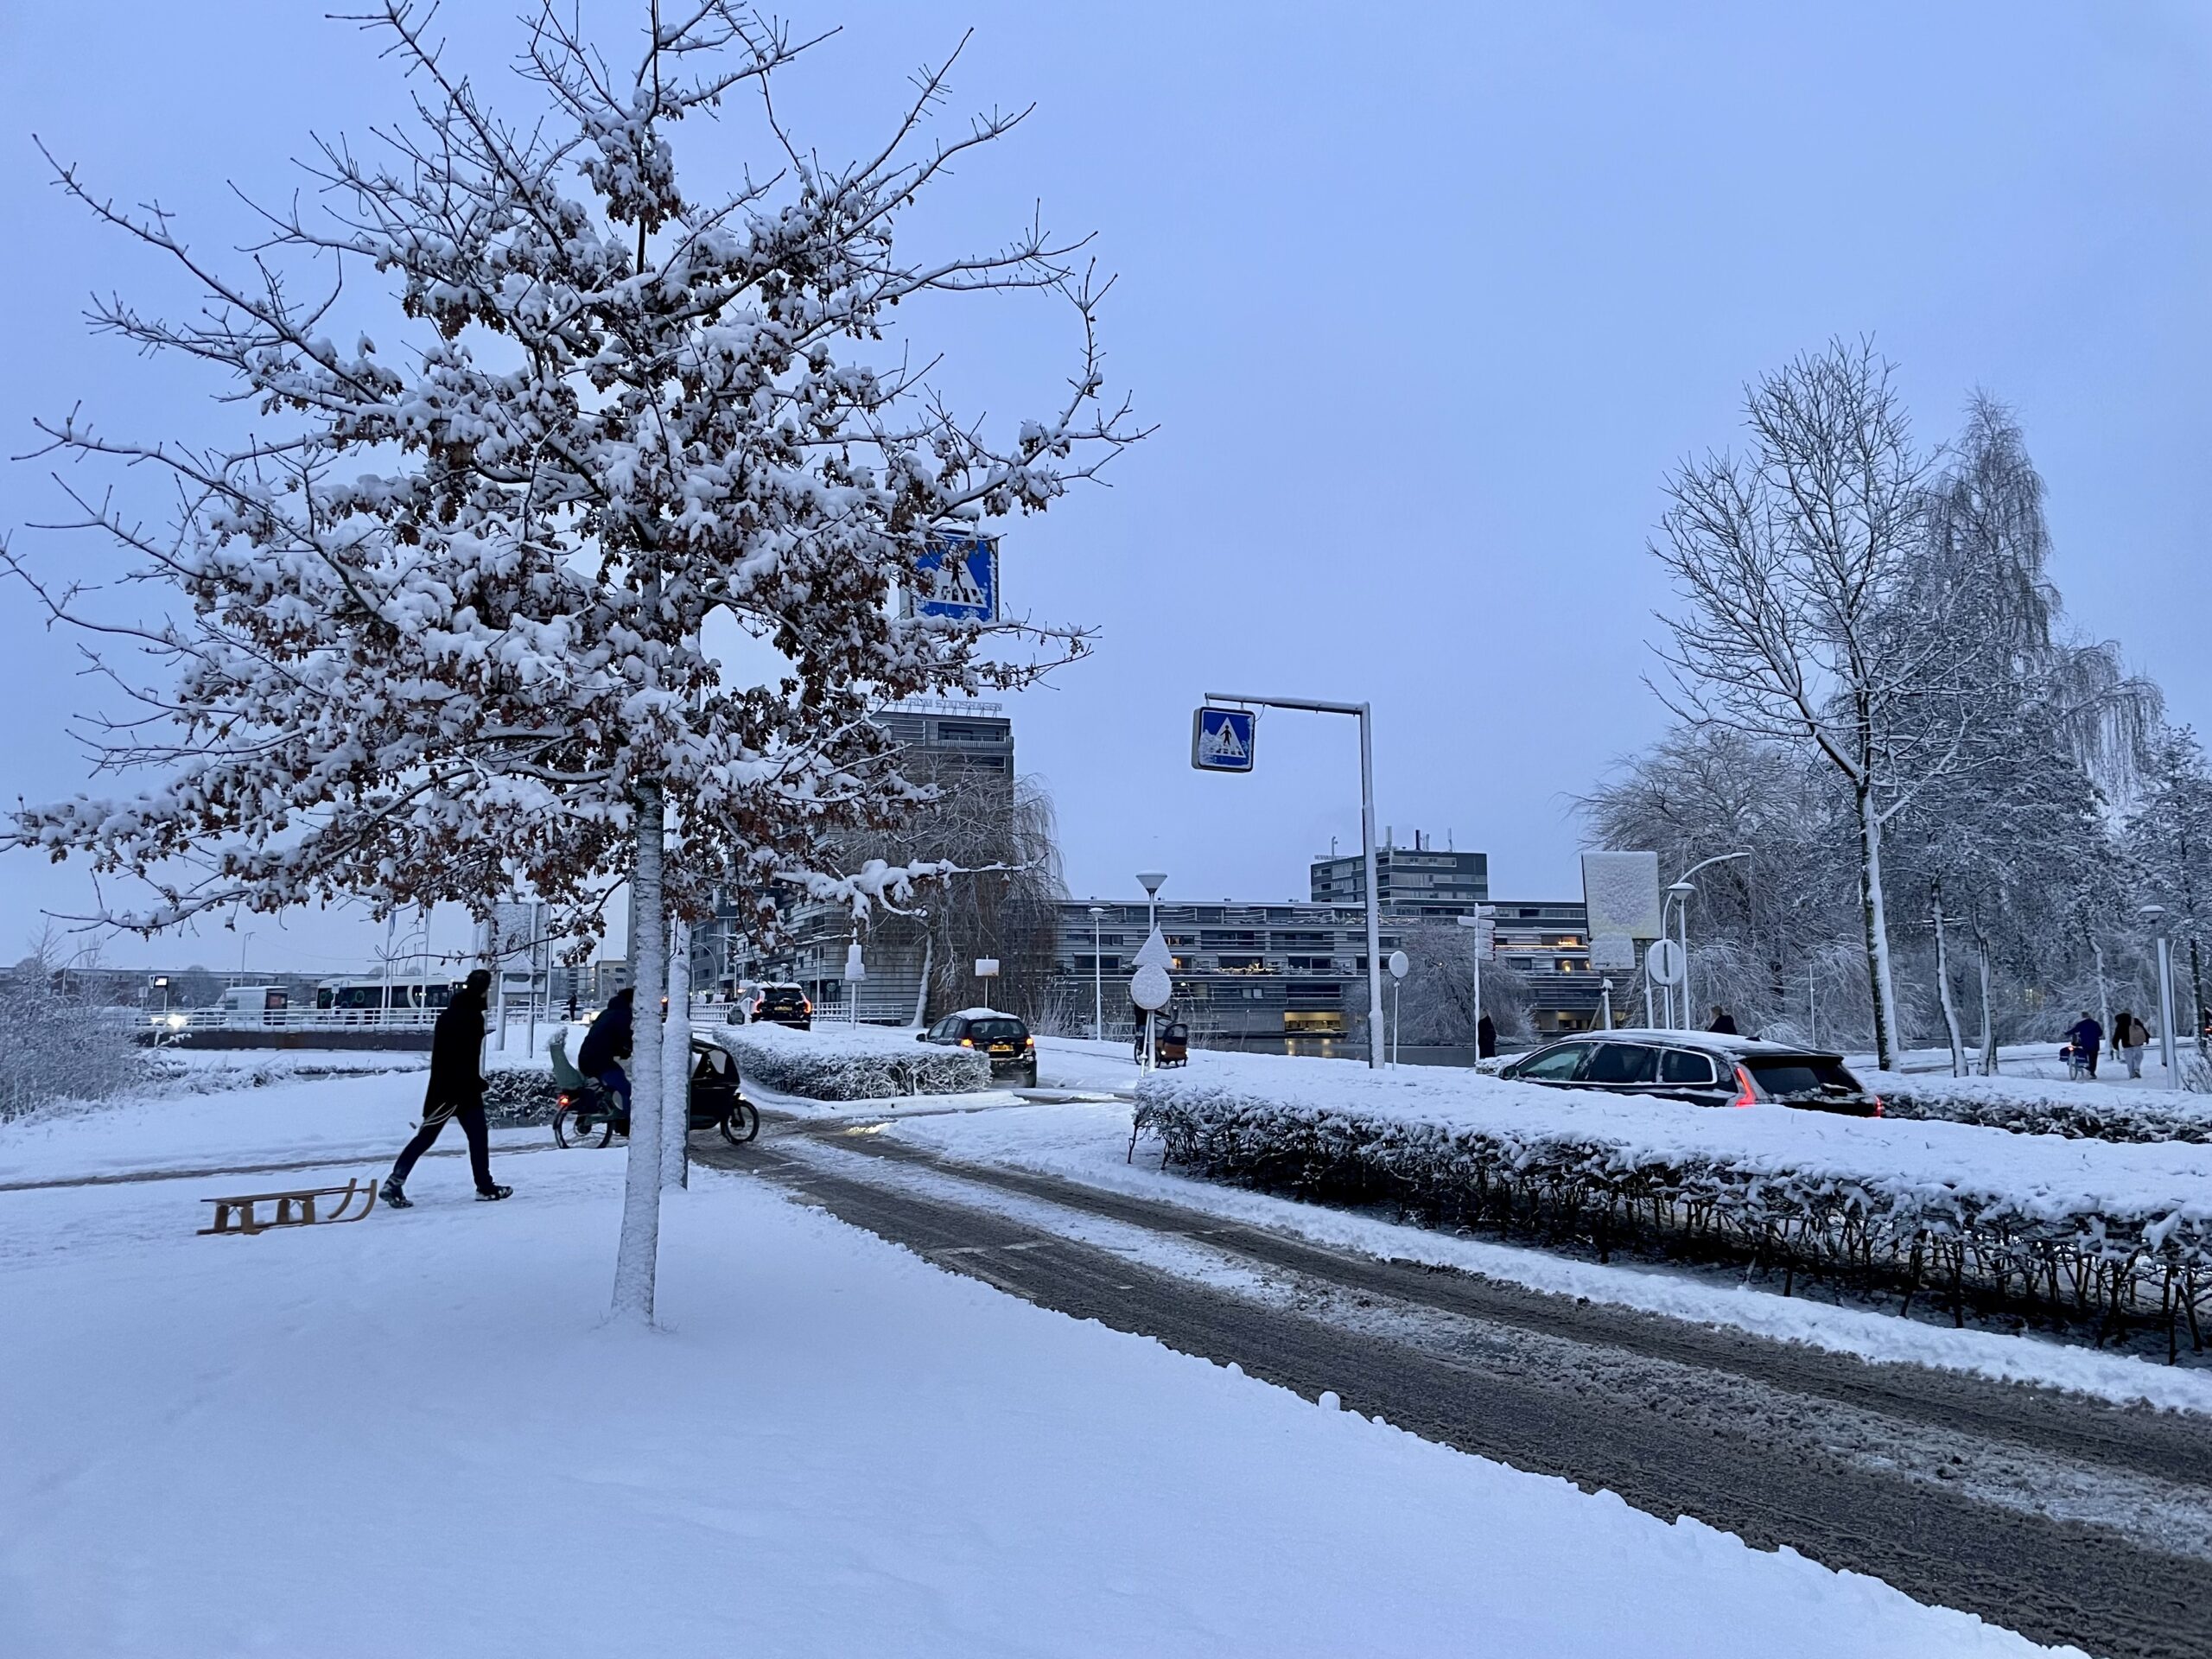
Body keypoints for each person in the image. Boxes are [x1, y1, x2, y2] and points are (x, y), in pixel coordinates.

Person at [381, 969, 511, 1207]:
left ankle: (395, 1181)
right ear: (483, 991)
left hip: (443, 1087)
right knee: (476, 1137)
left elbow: (446, 1054)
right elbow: (466, 1055)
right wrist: (474, 1081)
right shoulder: (472, 1018)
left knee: (428, 1137)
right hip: (460, 1090)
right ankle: (484, 1187)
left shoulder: (448, 1014)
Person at [577, 986, 635, 1135]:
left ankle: (611, 1111)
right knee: (627, 1089)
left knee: (613, 1084)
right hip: (599, 1061)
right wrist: (630, 1049)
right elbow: (626, 1038)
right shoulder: (623, 1015)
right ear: (631, 1002)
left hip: (587, 1058)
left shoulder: (607, 1013)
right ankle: (628, 1125)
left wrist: (622, 1051)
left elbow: (608, 1038)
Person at [2113, 1008, 2151, 1080]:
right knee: (2139, 1056)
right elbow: (2143, 1030)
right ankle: (2136, 1068)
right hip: (2136, 1043)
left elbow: (2117, 1035)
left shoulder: (2120, 1023)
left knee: (2129, 1060)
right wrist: (2147, 1038)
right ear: (2130, 1014)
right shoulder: (2135, 1020)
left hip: (2126, 1045)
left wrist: (2115, 1044)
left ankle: (2131, 1075)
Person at [2066, 1011, 2103, 1080]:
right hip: (2095, 1044)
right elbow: (2100, 1033)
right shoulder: (2095, 1023)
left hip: (2085, 1043)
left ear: (2082, 1016)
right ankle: (2092, 1072)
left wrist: (2066, 1033)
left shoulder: (2080, 1024)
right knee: (2093, 1058)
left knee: (2085, 1054)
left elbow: (2074, 1030)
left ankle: (2084, 1064)